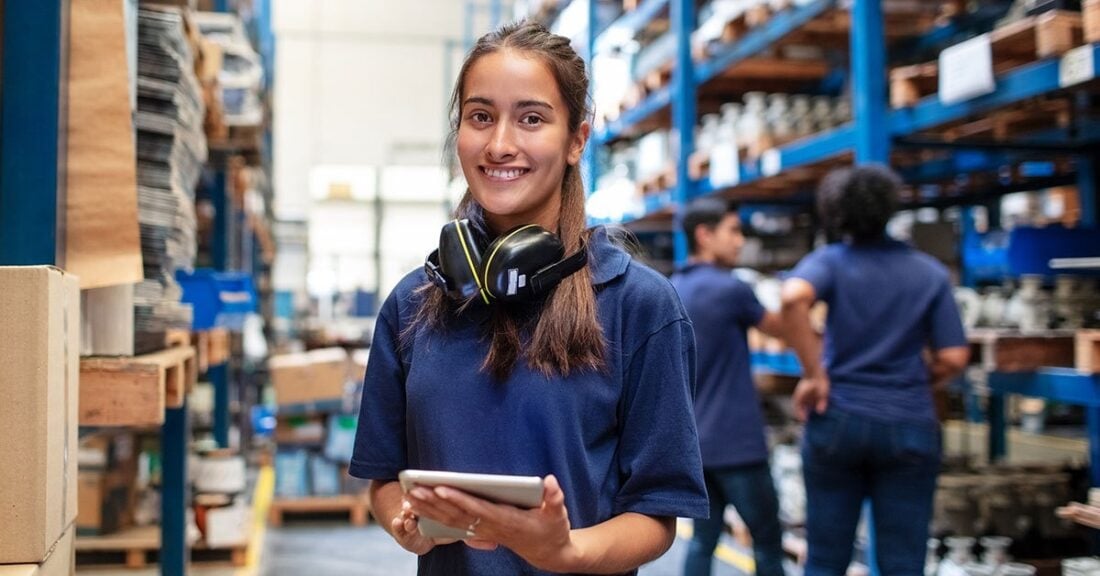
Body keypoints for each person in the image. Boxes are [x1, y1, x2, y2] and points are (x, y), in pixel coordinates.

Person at [349, 20, 709, 576]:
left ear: (577, 140)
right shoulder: (412, 306)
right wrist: (407, 524)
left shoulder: (641, 306)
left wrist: (565, 553)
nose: (499, 145)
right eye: (480, 117)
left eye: (532, 118)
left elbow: (656, 514)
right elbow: (384, 476)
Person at [780, 164, 969, 575]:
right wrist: (920, 378)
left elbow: (793, 299)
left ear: (837, 211)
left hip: (838, 417)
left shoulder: (830, 262)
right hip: (909, 423)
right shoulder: (929, 273)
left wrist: (815, 374)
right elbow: (954, 357)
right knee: (903, 559)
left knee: (827, 556)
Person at [670, 198, 787, 576]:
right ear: (704, 235)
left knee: (704, 540)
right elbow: (780, 329)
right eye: (733, 231)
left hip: (694, 447)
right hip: (738, 444)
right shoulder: (731, 289)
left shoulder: (671, 289)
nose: (740, 241)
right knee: (768, 542)